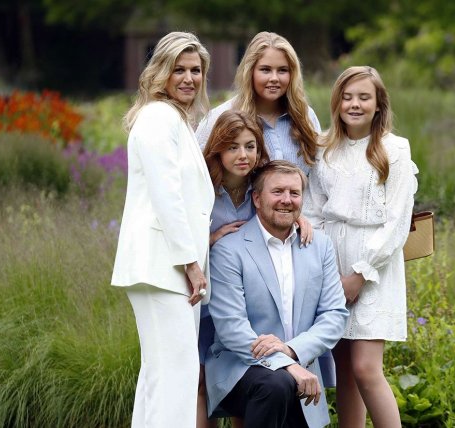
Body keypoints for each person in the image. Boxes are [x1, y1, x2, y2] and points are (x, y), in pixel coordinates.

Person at [303, 66, 419, 428]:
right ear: (336, 102)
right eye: (347, 97)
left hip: (373, 265)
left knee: (366, 368)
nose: (355, 104)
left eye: (364, 97)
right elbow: (314, 210)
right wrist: (327, 269)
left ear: (378, 104)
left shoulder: (394, 149)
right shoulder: (324, 148)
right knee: (344, 371)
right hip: (331, 261)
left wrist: (360, 273)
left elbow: (397, 221)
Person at [111, 31, 214, 428]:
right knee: (177, 374)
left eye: (196, 70)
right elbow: (166, 196)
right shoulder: (158, 117)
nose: (189, 78)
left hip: (166, 268)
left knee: (163, 377)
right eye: (179, 70)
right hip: (162, 266)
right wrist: (190, 263)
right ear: (161, 73)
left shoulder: (177, 120)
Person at [205, 160, 349, 428]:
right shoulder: (229, 249)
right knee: (277, 383)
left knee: (283, 385)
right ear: (257, 199)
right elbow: (231, 327)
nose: (287, 200)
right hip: (240, 368)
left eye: (294, 193)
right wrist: (283, 364)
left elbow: (335, 315)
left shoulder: (321, 246)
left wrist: (292, 351)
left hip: (300, 366)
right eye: (278, 192)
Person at [196, 109, 269, 428]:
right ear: (218, 149)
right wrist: (212, 239)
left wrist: (302, 220)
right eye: (233, 147)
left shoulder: (262, 186)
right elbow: (178, 235)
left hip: (245, 303)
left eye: (250, 146)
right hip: (204, 300)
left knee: (243, 378)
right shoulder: (202, 188)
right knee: (200, 380)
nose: (243, 155)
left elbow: (285, 208)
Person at [196, 31, 320, 177]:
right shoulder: (220, 117)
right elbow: (196, 172)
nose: (274, 78)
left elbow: (318, 177)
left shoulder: (305, 116)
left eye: (282, 70)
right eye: (265, 70)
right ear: (250, 71)